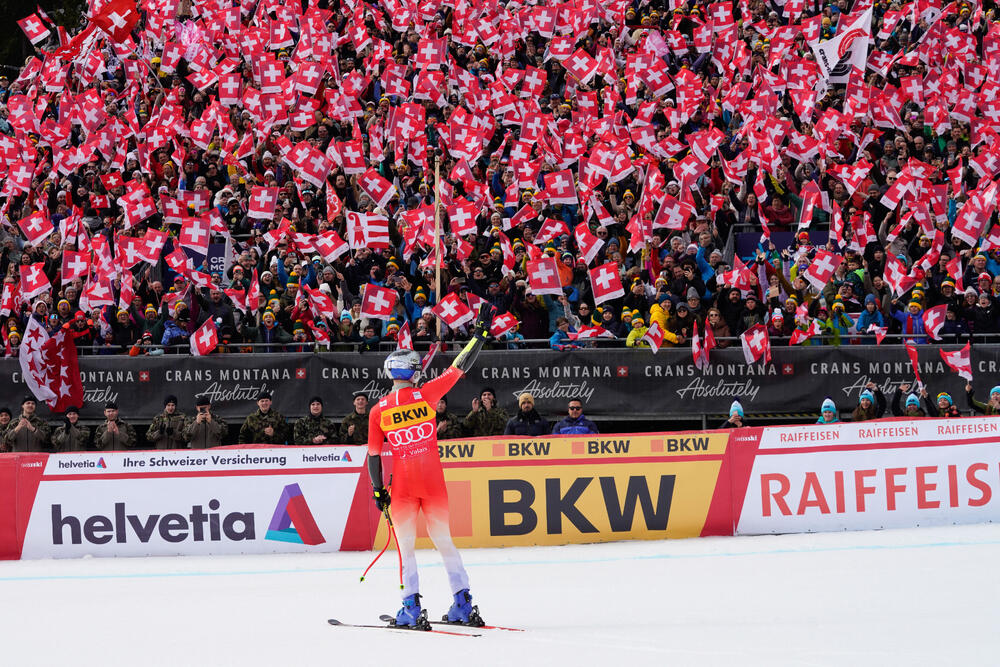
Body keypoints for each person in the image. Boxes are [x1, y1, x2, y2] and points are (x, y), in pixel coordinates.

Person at [366, 304, 495, 628]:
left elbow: (374, 456)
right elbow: (459, 367)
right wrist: (479, 335)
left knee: (406, 551)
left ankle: (410, 608)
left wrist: (378, 491)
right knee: (445, 544)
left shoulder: (378, 411)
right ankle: (463, 604)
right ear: (413, 373)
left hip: (404, 491)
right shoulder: (426, 395)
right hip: (434, 486)